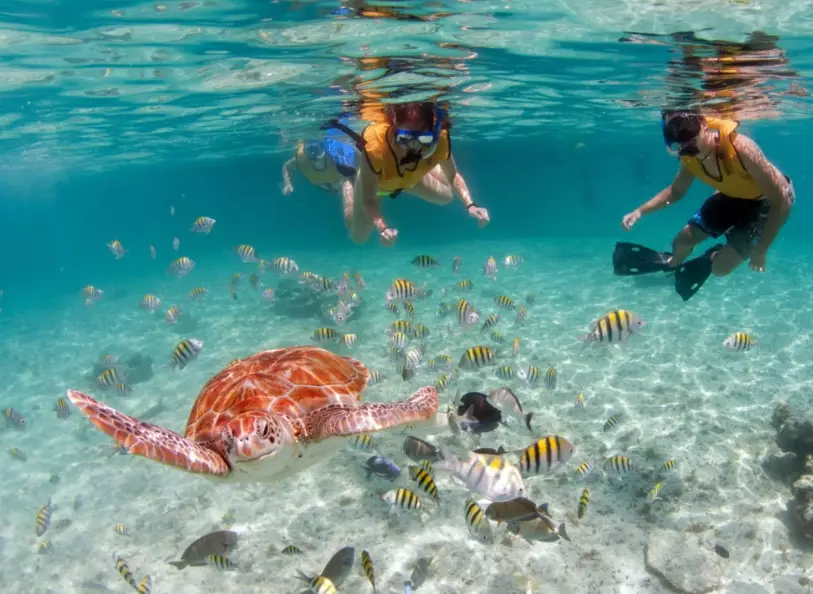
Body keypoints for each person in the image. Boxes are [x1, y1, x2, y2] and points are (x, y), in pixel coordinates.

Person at [614, 110, 794, 300]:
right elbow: (676, 192)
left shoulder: (741, 149)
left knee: (720, 269)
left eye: (689, 135)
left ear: (704, 124)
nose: (686, 145)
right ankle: (672, 265)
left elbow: (780, 200)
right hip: (732, 195)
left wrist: (762, 249)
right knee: (681, 241)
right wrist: (640, 211)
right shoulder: (689, 156)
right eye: (678, 140)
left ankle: (712, 256)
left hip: (765, 202)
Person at [340, 101, 489, 247]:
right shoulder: (377, 147)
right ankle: (349, 180)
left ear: (432, 130)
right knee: (358, 237)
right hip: (377, 184)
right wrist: (383, 228)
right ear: (393, 126)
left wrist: (470, 205)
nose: (414, 148)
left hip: (409, 179)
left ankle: (425, 166)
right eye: (405, 139)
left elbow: (452, 175)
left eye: (424, 139)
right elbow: (369, 200)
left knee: (446, 197)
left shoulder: (439, 139)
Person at [281, 128, 454, 236]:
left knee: (445, 197)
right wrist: (287, 182)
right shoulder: (300, 159)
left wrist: (369, 190)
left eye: (317, 147)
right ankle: (408, 176)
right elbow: (286, 167)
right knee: (355, 228)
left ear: (325, 146)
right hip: (347, 183)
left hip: (349, 179)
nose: (313, 152)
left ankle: (424, 166)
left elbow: (361, 166)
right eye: (310, 148)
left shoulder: (337, 153)